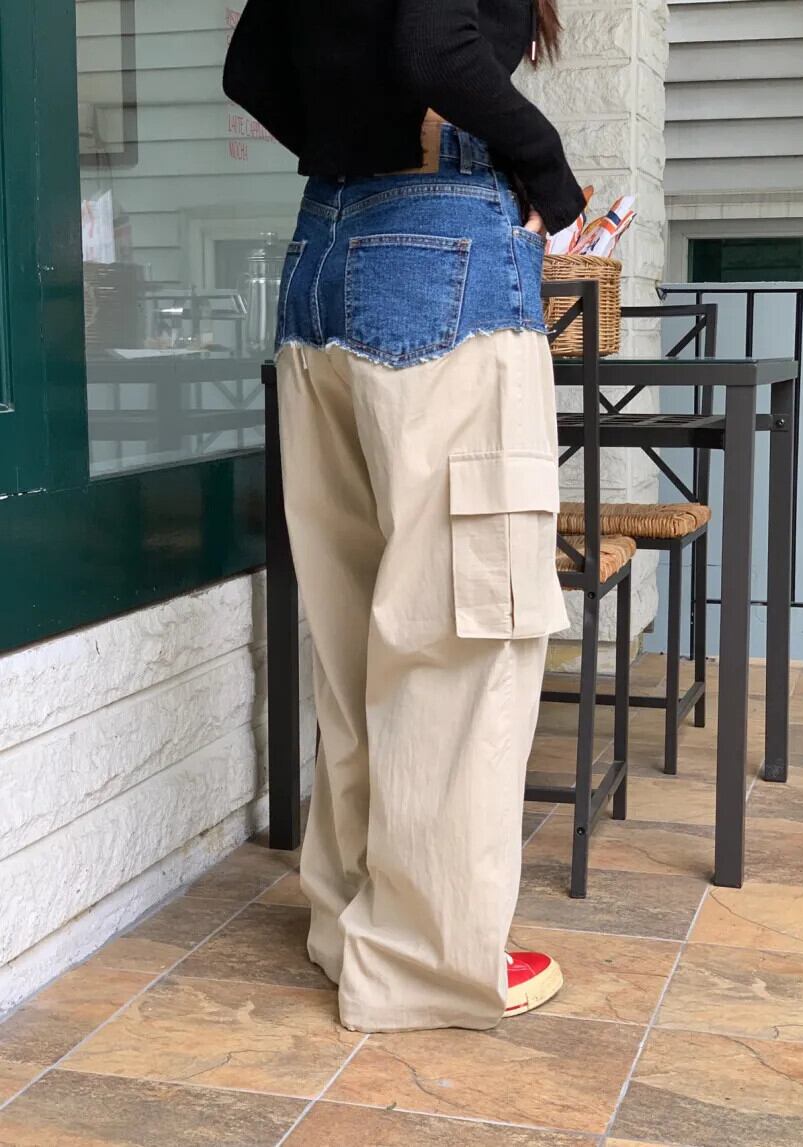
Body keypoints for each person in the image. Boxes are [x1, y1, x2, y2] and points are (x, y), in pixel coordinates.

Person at [224, 0, 585, 1033]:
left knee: (355, 637)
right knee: (459, 633)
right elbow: (433, 44)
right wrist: (547, 172)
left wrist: (358, 145)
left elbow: (251, 68)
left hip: (322, 255)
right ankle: (428, 960)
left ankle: (353, 924)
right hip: (445, 253)